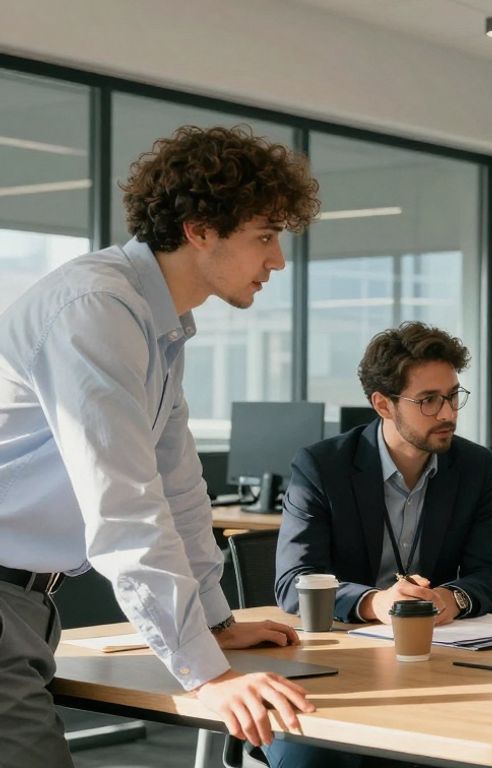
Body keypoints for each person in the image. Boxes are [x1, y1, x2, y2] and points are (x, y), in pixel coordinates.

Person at [0, 125, 320, 766]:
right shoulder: (96, 308)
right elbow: (124, 508)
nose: (278, 260)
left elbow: (178, 486)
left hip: (28, 598)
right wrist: (209, 676)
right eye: (264, 236)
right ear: (201, 229)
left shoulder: (158, 323)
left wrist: (217, 624)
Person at [269, 322, 492, 768]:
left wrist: (451, 597)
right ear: (382, 404)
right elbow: (294, 582)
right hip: (336, 668)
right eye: (429, 400)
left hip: (435, 665)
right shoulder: (323, 466)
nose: (448, 413)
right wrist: (377, 603)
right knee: (315, 757)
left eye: (454, 395)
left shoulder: (474, 466)